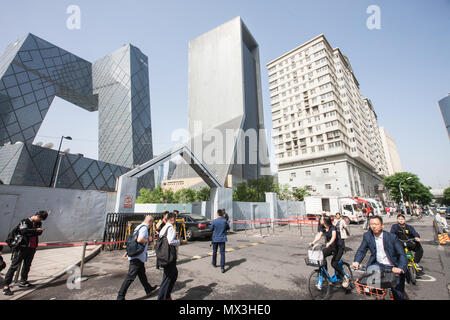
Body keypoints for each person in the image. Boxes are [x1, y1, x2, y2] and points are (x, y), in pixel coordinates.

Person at [352, 216, 408, 300]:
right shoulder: (367, 236)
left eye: (376, 224)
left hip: (393, 267)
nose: (373, 226)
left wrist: (400, 268)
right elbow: (362, 250)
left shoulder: (392, 237)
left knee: (398, 293)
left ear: (382, 226)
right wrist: (357, 261)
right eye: (371, 224)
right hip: (379, 266)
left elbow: (401, 254)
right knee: (375, 291)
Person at [3, 210, 48, 296]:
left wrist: (39, 231)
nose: (40, 221)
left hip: (32, 247)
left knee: (27, 265)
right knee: (14, 266)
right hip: (22, 247)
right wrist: (35, 230)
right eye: (40, 219)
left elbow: (38, 233)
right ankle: (6, 286)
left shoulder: (38, 224)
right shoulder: (25, 221)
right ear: (37, 216)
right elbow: (24, 231)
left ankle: (23, 281)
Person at [117, 215, 157, 300]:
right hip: (137, 256)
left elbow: (132, 240)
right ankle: (120, 296)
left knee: (142, 274)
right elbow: (139, 240)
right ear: (149, 222)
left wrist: (127, 252)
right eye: (152, 222)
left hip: (137, 255)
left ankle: (148, 289)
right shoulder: (144, 228)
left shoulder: (138, 226)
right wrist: (148, 239)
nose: (152, 224)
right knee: (130, 277)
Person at [309, 216, 347, 286]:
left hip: (338, 247)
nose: (320, 220)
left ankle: (344, 277)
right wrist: (313, 242)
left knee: (334, 264)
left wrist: (329, 243)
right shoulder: (323, 228)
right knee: (321, 255)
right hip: (331, 247)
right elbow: (319, 236)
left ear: (325, 221)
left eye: (321, 219)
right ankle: (326, 273)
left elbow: (334, 237)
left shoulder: (333, 228)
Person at [157, 212, 180, 300]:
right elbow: (170, 241)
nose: (176, 220)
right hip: (169, 255)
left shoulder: (164, 227)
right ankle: (162, 297)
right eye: (176, 218)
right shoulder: (170, 228)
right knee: (168, 278)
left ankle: (167, 295)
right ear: (173, 219)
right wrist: (178, 242)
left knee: (172, 274)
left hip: (164, 255)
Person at [210, 209, 230, 273]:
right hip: (222, 238)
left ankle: (214, 263)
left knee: (214, 251)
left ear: (217, 214)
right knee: (222, 253)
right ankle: (222, 267)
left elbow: (211, 229)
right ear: (222, 214)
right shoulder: (224, 221)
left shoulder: (214, 221)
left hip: (215, 238)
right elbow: (228, 228)